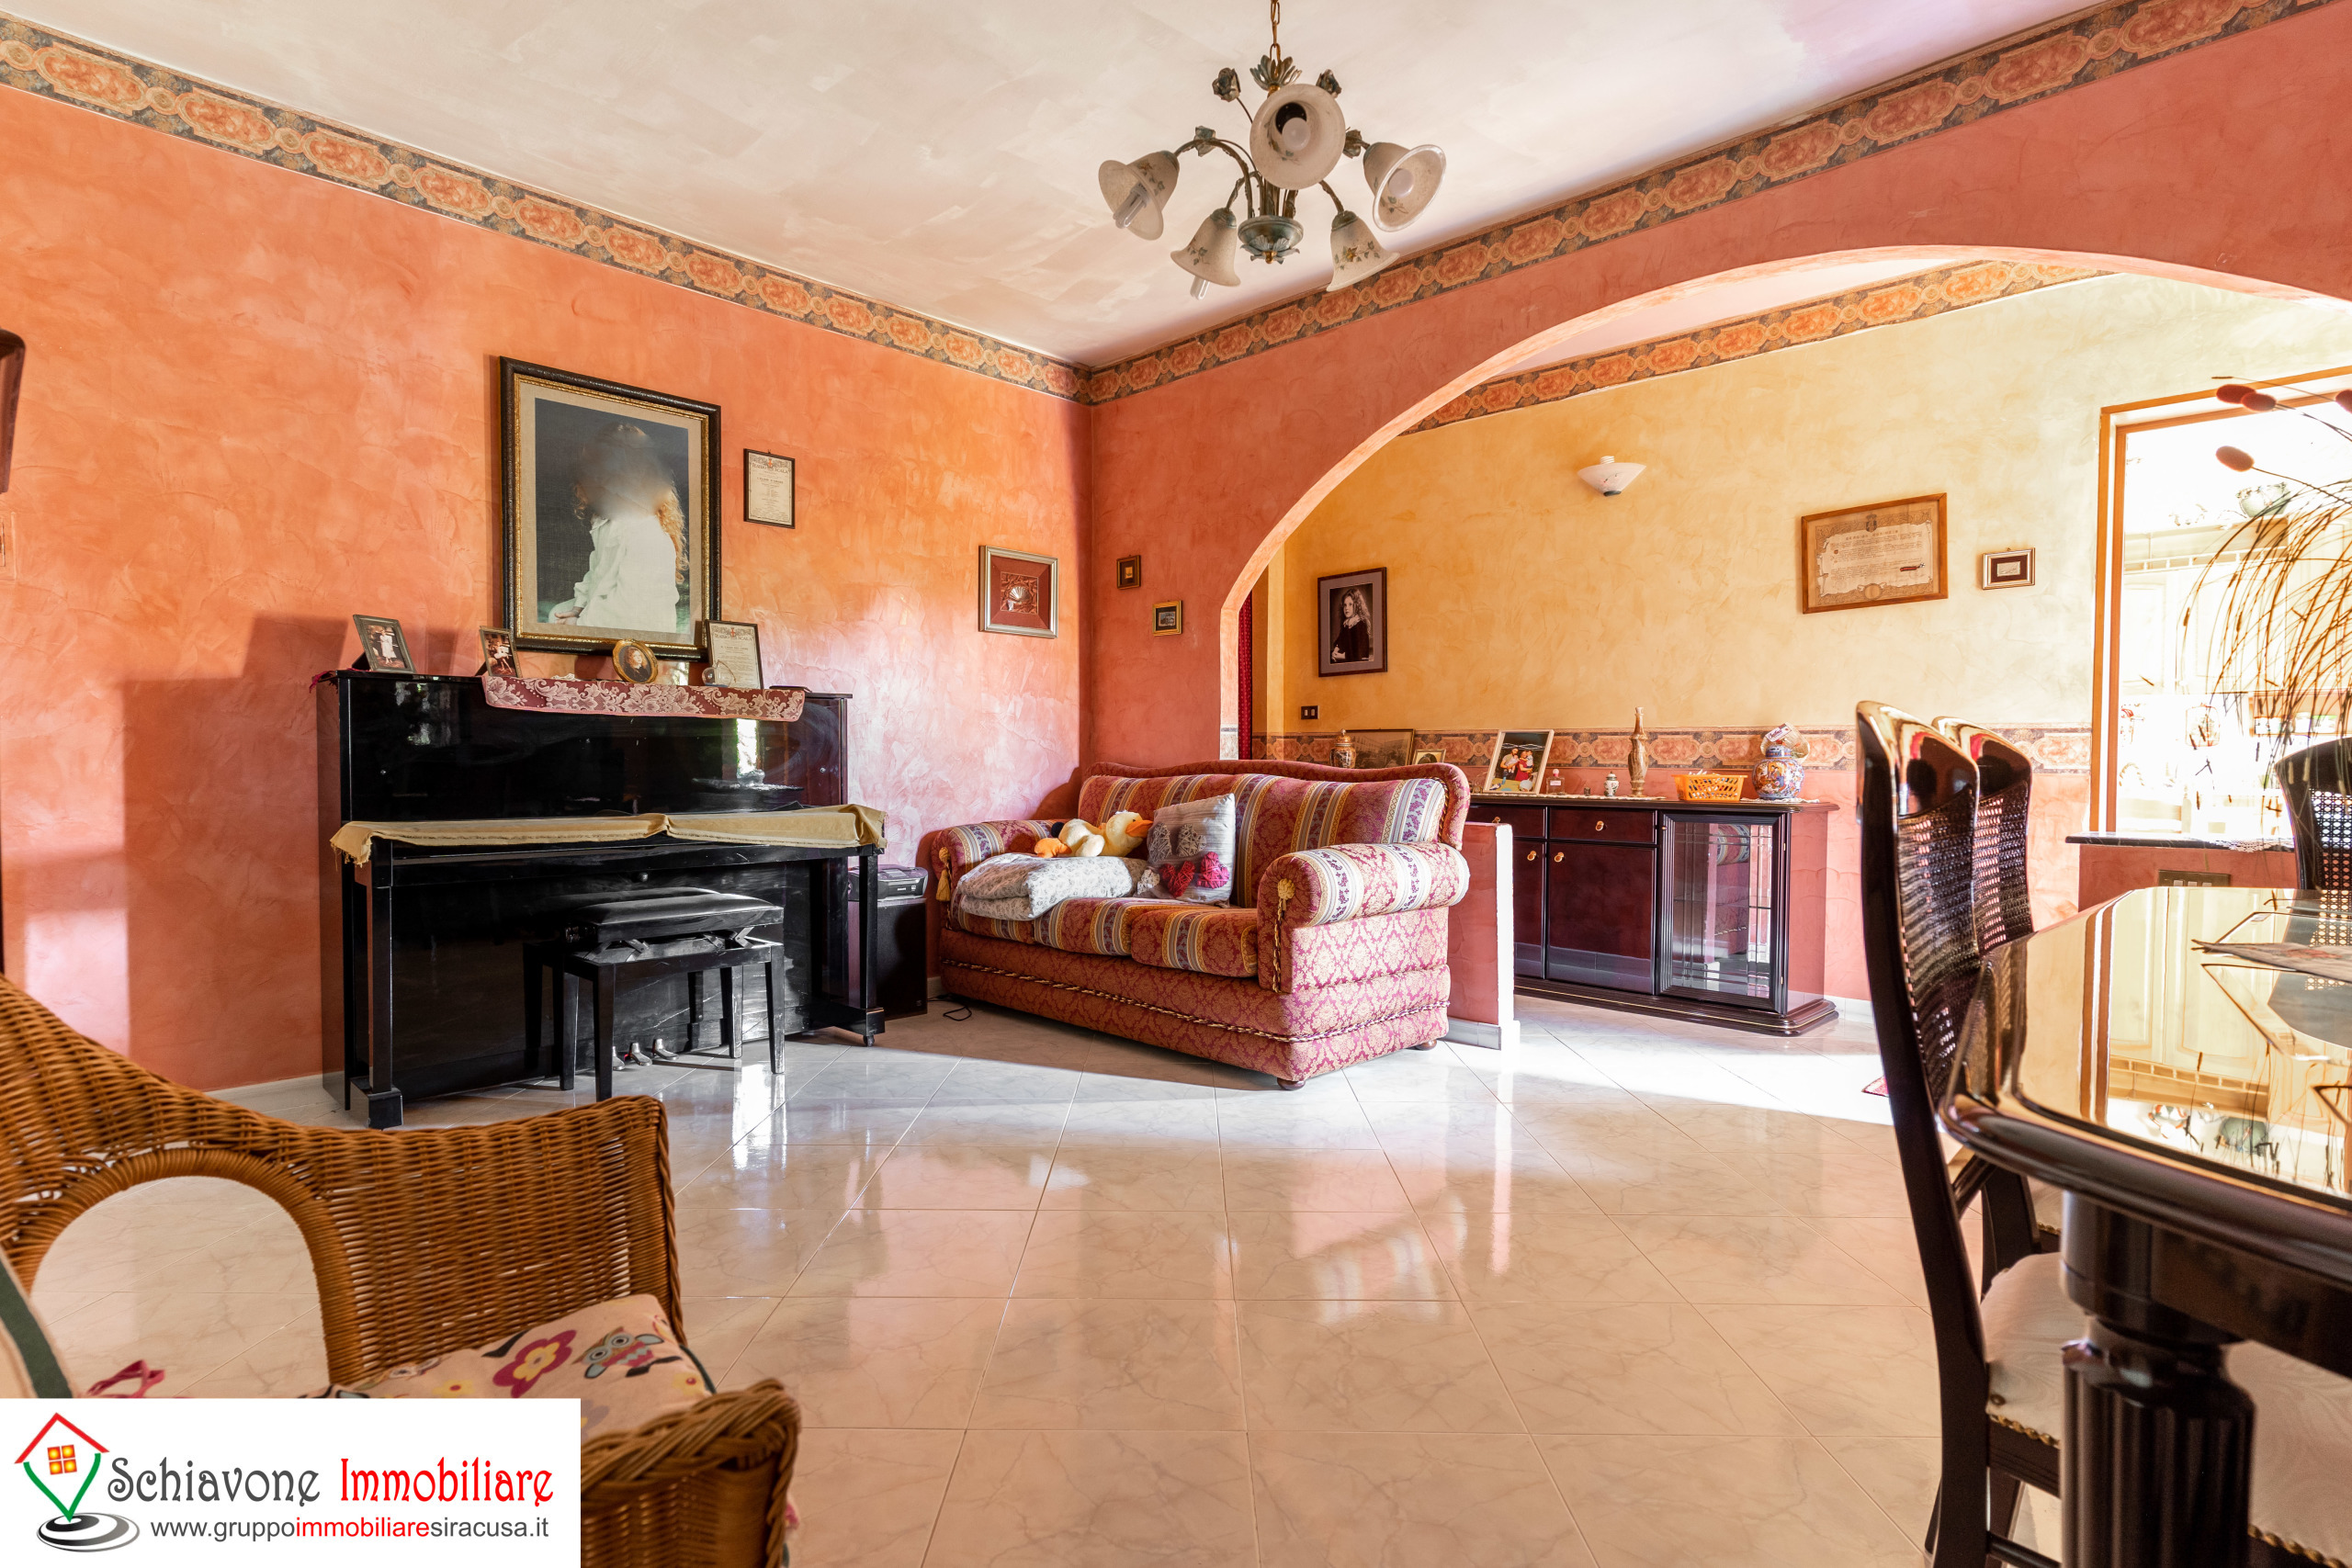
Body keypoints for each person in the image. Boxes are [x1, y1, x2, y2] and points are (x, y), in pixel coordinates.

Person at [548, 423, 686, 635]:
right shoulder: (608, 523)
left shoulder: (647, 535)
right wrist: (578, 608)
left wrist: (581, 622)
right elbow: (596, 572)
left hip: (639, 624)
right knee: (556, 614)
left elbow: (629, 608)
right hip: (610, 605)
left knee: (564, 626)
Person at [1330, 587, 1374, 663]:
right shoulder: (1347, 623)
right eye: (1345, 605)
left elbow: (1360, 653)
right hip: (1346, 658)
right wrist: (1335, 651)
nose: (1346, 608)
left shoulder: (1360, 624)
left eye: (1350, 604)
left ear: (1357, 606)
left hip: (1357, 662)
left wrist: (1341, 656)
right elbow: (1340, 640)